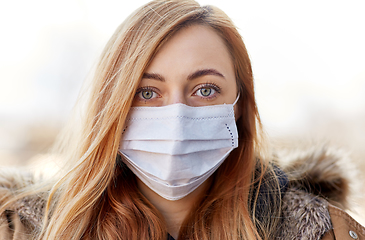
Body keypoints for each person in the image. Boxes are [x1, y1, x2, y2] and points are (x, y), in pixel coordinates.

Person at [0, 0, 364, 239]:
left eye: (205, 90)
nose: (176, 119)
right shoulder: (21, 228)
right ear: (111, 106)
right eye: (147, 92)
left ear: (239, 104)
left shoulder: (326, 232)